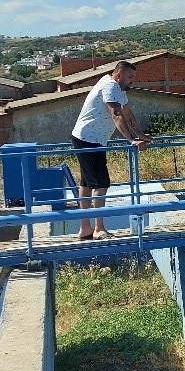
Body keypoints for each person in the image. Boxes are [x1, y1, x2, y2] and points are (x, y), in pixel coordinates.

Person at [71, 60, 151, 240]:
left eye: (134, 77)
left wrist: (141, 135)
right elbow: (116, 115)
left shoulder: (118, 89)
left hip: (88, 138)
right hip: (89, 140)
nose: (132, 81)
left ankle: (85, 228)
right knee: (100, 184)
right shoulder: (110, 86)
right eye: (130, 77)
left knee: (86, 184)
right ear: (119, 75)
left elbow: (128, 113)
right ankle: (99, 229)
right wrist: (132, 140)